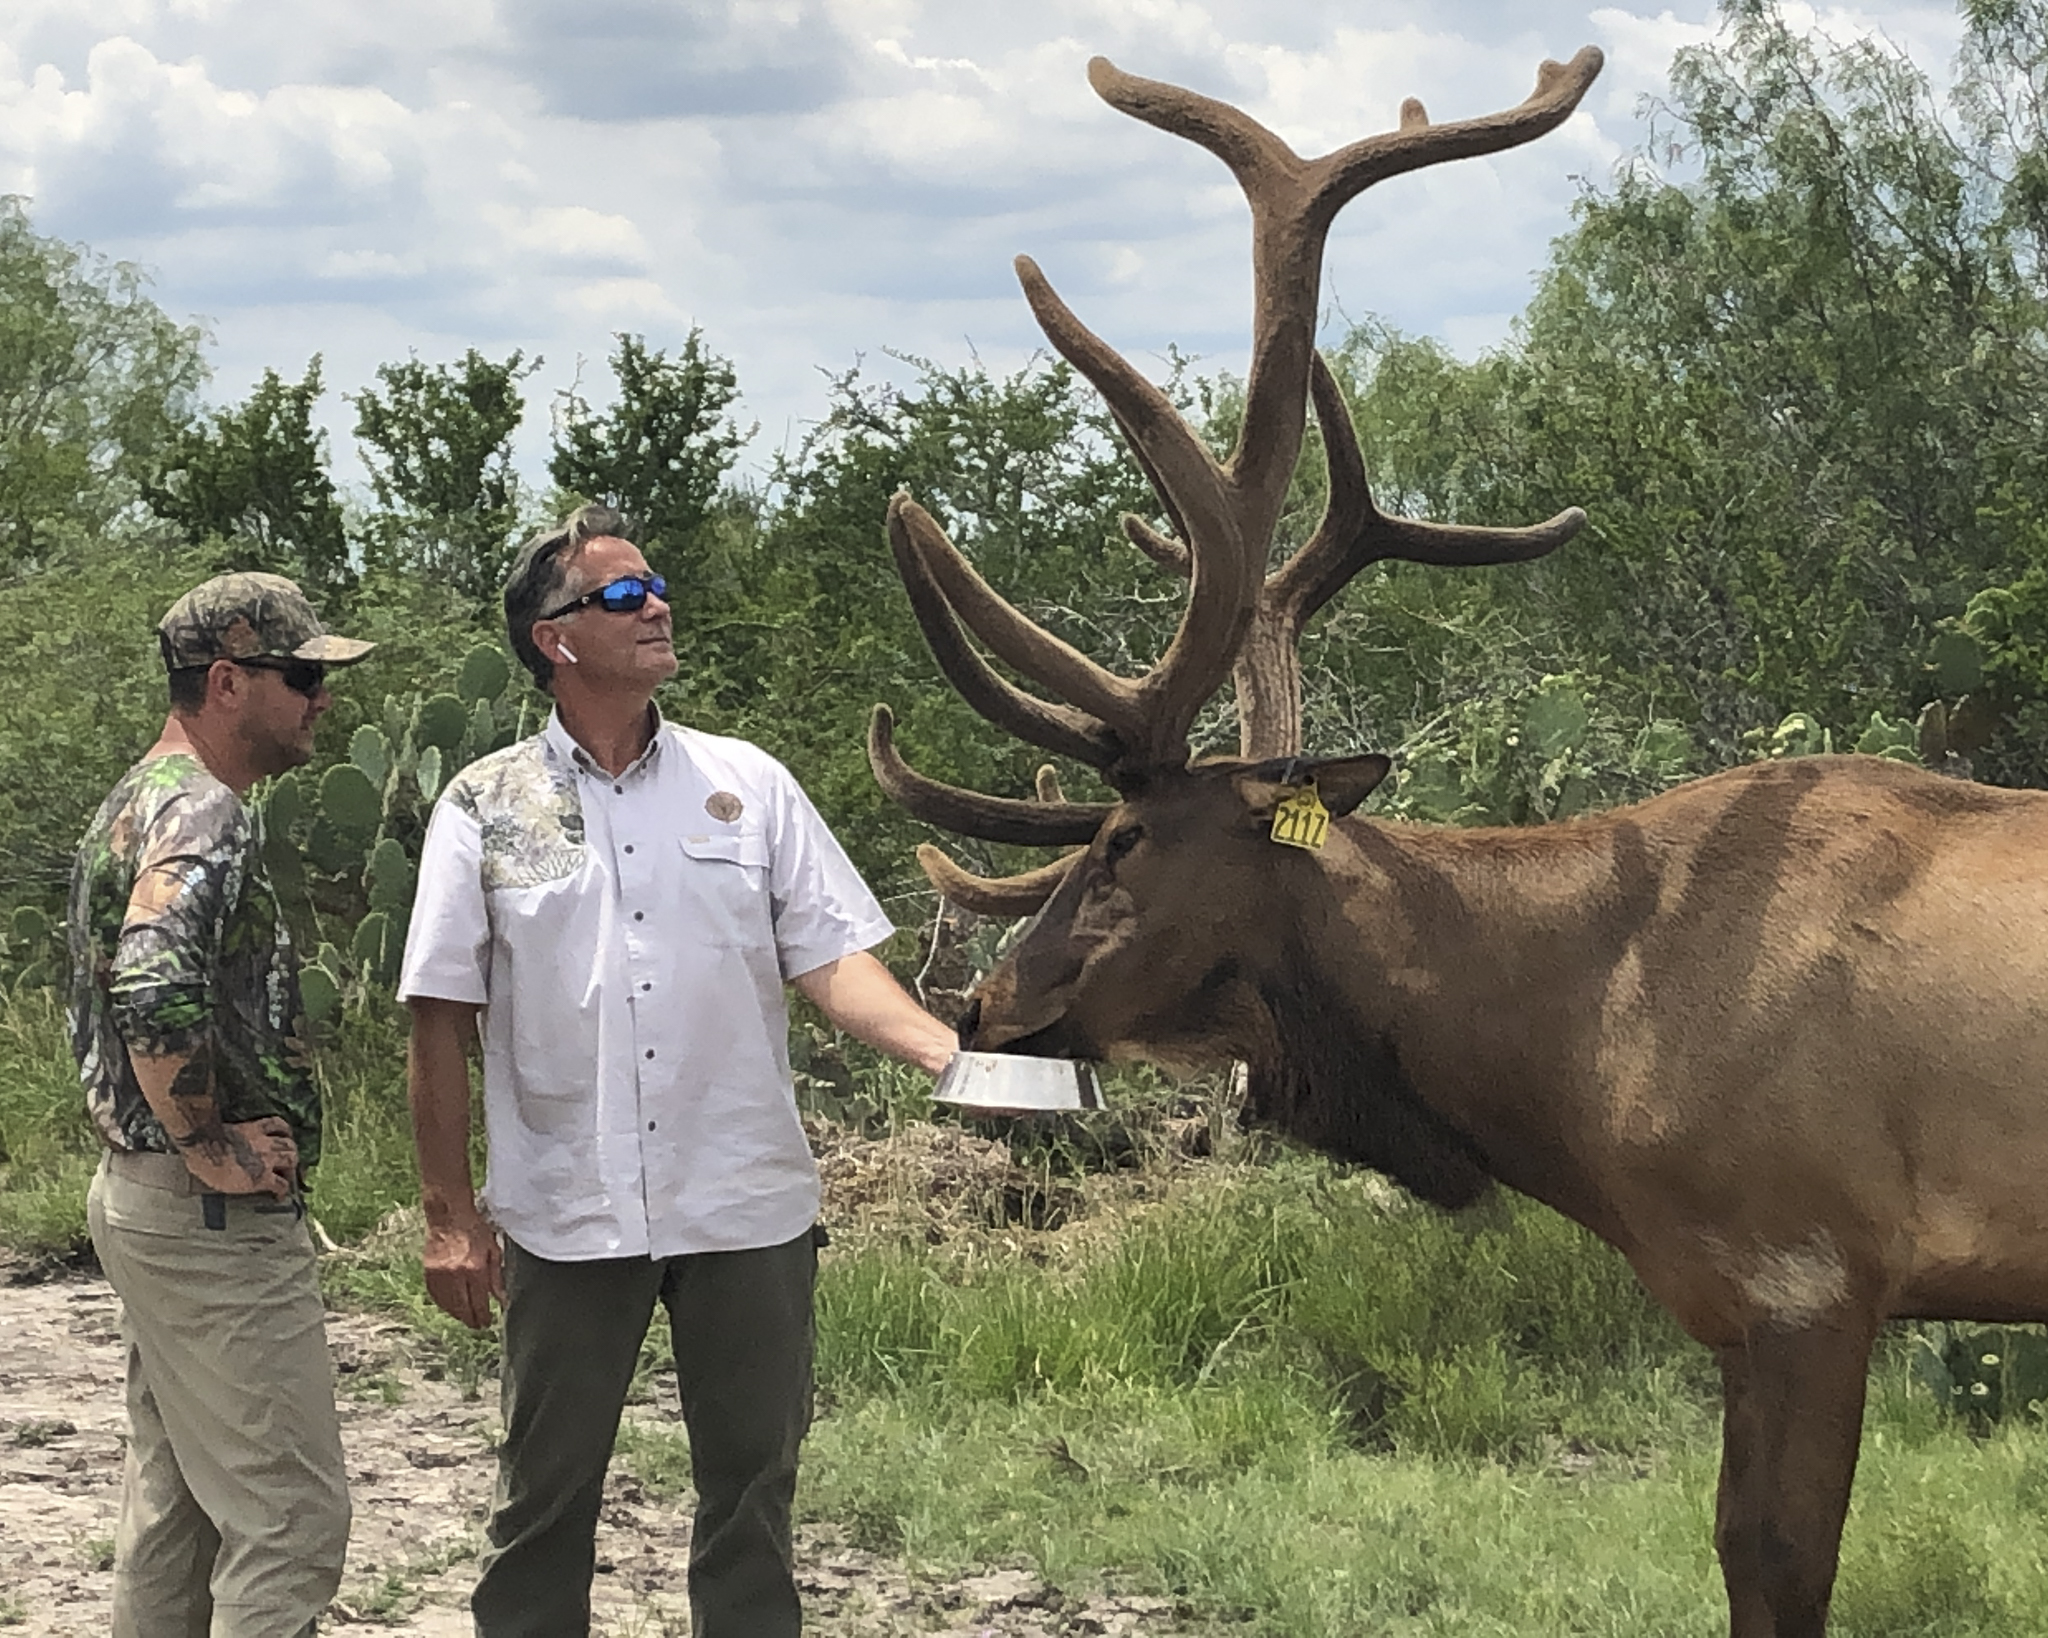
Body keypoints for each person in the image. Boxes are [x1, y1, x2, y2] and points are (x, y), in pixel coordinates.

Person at [399, 505, 957, 1638]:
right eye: (620, 594)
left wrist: (940, 1050)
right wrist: (450, 1217)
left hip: (744, 1203)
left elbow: (831, 959)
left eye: (655, 586)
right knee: (544, 1497)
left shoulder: (747, 783)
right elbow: (440, 1018)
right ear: (554, 638)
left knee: (753, 1497)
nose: (655, 605)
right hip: (570, 1210)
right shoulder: (485, 806)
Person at [70, 571, 375, 1638]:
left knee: (183, 1512)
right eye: (300, 677)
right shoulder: (204, 810)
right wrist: (209, 1143)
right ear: (227, 682)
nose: (321, 699)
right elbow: (152, 982)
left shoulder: (140, 795)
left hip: (144, 1201)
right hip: (206, 1220)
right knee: (290, 1521)